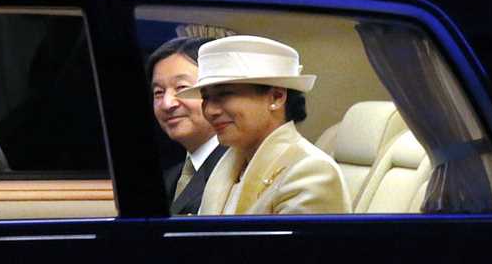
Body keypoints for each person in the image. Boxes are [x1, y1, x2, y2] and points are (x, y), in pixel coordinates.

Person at [177, 35, 351, 215]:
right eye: (206, 98)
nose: (210, 110)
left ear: (276, 97)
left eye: (225, 94)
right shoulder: (230, 164)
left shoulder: (311, 172)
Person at [146, 36, 227, 215]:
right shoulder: (169, 179)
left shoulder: (238, 169)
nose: (167, 103)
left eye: (182, 88)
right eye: (158, 92)